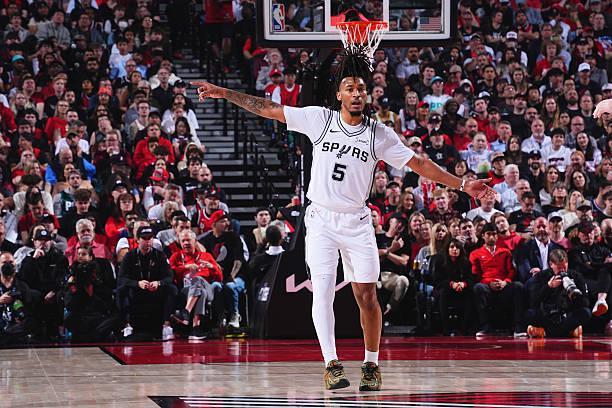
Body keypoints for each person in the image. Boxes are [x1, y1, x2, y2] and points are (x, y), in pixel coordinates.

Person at [194, 47, 496, 391]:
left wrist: (462, 185)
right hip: (321, 219)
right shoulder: (319, 119)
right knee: (321, 292)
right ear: (339, 94)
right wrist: (223, 92)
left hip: (357, 221)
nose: (356, 94)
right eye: (350, 88)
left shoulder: (379, 134)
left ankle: (371, 364)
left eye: (361, 89)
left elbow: (419, 163)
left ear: (367, 95)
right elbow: (268, 108)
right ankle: (332, 364)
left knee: (367, 295)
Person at [117, 226, 178, 341]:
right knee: (121, 290)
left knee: (172, 289)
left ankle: (166, 324)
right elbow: (122, 278)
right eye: (144, 238)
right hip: (136, 290)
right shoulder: (129, 256)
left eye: (150, 238)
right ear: (138, 240)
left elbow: (169, 277)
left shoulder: (160, 255)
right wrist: (137, 283)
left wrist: (158, 283)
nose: (148, 241)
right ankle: (127, 325)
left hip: (155, 289)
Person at [470, 223, 526, 338]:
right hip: (487, 286)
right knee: (478, 288)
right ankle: (485, 328)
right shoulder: (475, 254)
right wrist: (488, 283)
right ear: (483, 236)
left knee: (518, 286)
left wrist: (505, 282)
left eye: (494, 234)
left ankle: (518, 327)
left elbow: (511, 271)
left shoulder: (505, 252)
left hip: (503, 286)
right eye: (488, 234)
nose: (491, 237)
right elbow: (476, 274)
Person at [169, 230, 222, 340]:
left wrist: (212, 268)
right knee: (200, 291)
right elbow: (169, 274)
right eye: (183, 241)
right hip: (186, 289)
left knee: (198, 280)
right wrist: (184, 267)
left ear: (195, 241)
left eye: (188, 240)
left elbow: (220, 278)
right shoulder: (176, 256)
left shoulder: (206, 256)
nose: (186, 243)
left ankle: (186, 312)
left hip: (208, 289)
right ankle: (196, 328)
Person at [527, 249, 591, 338]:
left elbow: (586, 302)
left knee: (586, 312)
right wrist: (548, 287)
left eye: (564, 267)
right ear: (551, 264)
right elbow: (533, 302)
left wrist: (574, 296)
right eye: (559, 267)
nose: (562, 270)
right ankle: (568, 332)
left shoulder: (576, 276)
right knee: (530, 313)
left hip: (567, 315)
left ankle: (545, 332)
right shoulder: (541, 276)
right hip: (547, 315)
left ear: (567, 263)